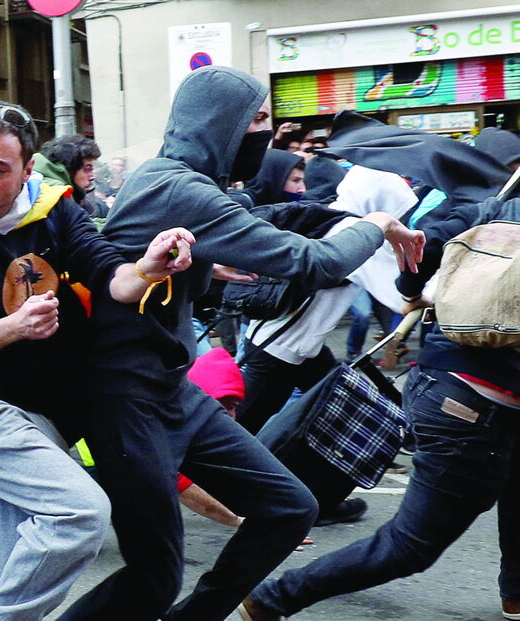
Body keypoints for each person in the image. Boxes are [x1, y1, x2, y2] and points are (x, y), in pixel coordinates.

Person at [61, 65, 424, 621]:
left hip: (172, 393)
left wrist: (214, 265)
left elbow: (261, 218)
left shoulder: (179, 181)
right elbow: (316, 263)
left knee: (290, 508)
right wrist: (376, 222)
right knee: (153, 578)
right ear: (218, 123)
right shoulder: (178, 188)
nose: (264, 132)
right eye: (255, 119)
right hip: (125, 403)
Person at [0, 99, 194, 620]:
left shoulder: (55, 212)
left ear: (27, 171)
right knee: (80, 513)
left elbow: (113, 278)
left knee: (9, 559)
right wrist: (15, 326)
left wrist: (149, 268)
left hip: (39, 417)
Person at [240, 165, 520, 621]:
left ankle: (516, 596)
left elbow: (417, 252)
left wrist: (418, 291)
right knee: (412, 545)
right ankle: (274, 597)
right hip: (472, 402)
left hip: (447, 382)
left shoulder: (489, 209)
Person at [32, 134, 108, 218]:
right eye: (87, 169)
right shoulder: (57, 194)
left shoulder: (38, 182)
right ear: (70, 168)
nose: (92, 176)